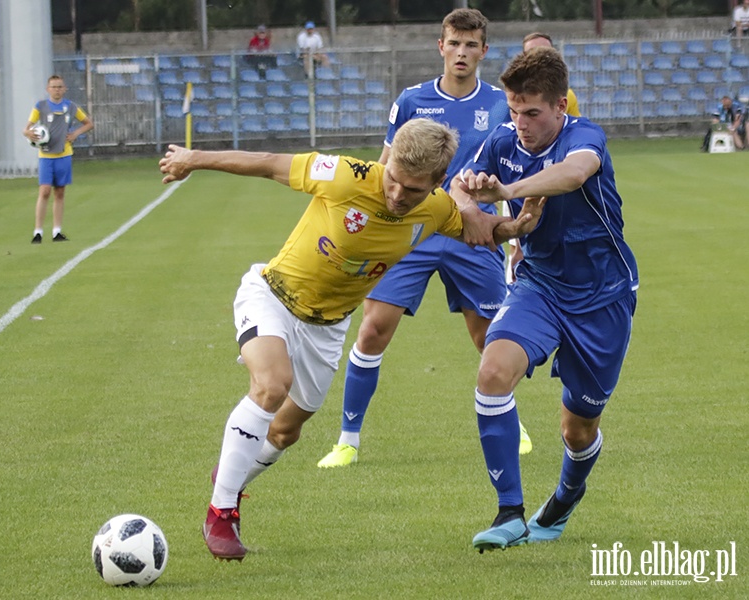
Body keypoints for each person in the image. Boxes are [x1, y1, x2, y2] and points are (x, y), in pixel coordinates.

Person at [158, 118, 544, 561]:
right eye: (394, 180)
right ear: (389, 162)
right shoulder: (344, 175)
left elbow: (481, 232)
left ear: (438, 183)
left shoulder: (436, 208)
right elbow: (266, 163)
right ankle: (222, 511)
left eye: (414, 190)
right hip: (273, 296)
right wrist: (193, 159)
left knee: (286, 432)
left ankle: (230, 475)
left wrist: (516, 228)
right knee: (271, 384)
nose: (399, 195)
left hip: (326, 328)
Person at [316, 8, 533, 471]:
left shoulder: (499, 104)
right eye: (454, 43)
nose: (461, 52)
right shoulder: (412, 100)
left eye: (471, 45)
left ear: (483, 51)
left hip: (472, 230)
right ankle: (347, 439)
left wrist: (515, 233)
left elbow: (515, 168)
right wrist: (374, 223)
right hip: (411, 229)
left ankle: (511, 421)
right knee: (374, 328)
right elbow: (385, 168)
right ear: (441, 46)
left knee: (491, 337)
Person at [448, 47, 638, 552]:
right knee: (492, 371)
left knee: (577, 427)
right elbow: (458, 187)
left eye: (531, 112)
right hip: (538, 285)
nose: (521, 122)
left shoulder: (584, 137)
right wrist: (474, 206)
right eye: (513, 110)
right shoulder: (502, 140)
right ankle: (509, 511)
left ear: (560, 105)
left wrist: (505, 189)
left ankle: (566, 495)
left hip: (603, 297)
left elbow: (573, 174)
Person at [23, 75, 93, 243]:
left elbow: (88, 123)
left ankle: (57, 231)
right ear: (48, 89)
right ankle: (38, 231)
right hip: (46, 156)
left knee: (60, 192)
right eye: (54, 87)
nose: (57, 90)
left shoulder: (70, 107)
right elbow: (26, 129)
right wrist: (29, 134)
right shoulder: (40, 106)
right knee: (45, 191)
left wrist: (75, 134)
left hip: (64, 154)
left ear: (65, 89)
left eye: (60, 87)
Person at [522, 32, 581, 117]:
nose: (538, 56)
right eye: (532, 52)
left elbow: (577, 127)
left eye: (545, 51)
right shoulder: (512, 97)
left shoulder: (568, 96)